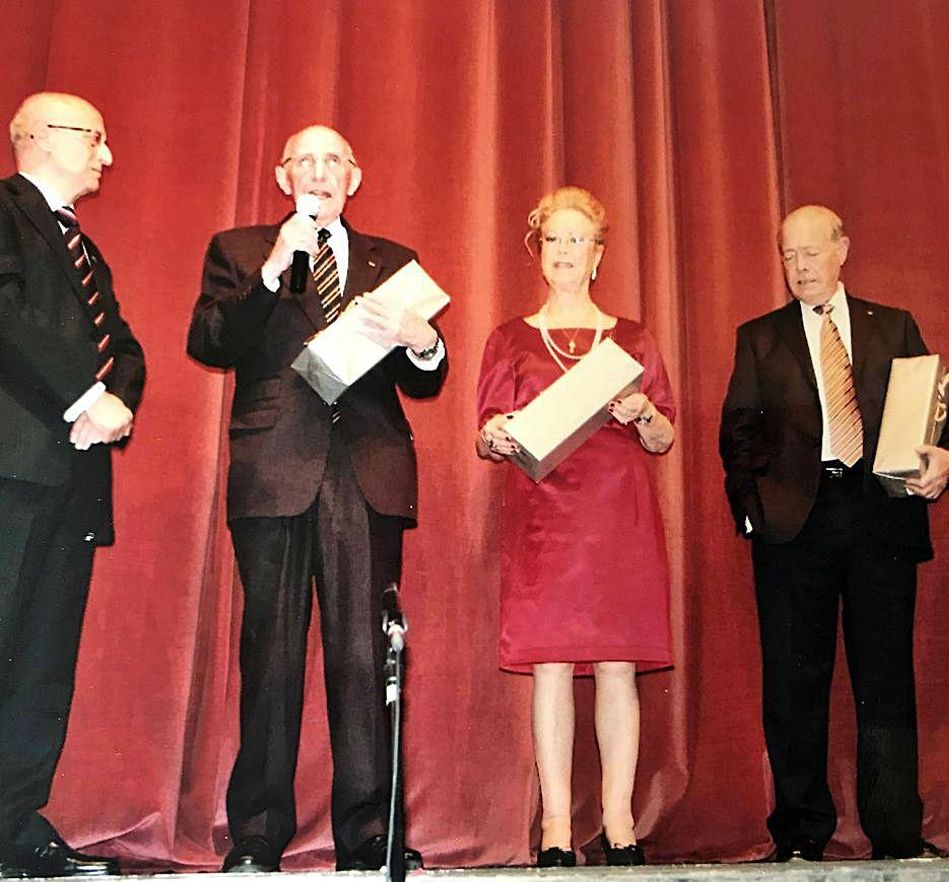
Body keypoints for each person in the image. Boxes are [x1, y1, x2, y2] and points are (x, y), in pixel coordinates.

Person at [187, 125, 445, 872]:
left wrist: (424, 341)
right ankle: (259, 833)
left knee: (365, 656)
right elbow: (209, 343)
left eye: (335, 160)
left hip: (367, 468)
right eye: (306, 159)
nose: (320, 172)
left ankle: (368, 832)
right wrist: (270, 274)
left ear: (355, 178)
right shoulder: (239, 250)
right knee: (269, 653)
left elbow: (424, 378)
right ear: (282, 174)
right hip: (276, 469)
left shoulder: (391, 261)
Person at [719, 205, 949, 861]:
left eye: (811, 252)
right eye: (788, 255)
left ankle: (896, 834)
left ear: (842, 250)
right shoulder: (760, 337)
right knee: (794, 682)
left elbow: (946, 416)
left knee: (884, 677)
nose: (800, 267)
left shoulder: (895, 327)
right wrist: (755, 511)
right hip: (793, 525)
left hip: (879, 516)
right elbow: (737, 435)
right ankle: (801, 833)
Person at [475, 186, 675, 867]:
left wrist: (644, 411)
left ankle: (619, 823)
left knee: (619, 665)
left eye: (576, 240)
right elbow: (484, 436)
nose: (564, 251)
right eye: (553, 240)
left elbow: (664, 438)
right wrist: (495, 434)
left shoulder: (634, 338)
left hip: (618, 515)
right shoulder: (508, 338)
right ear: (540, 252)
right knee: (552, 666)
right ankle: (556, 828)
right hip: (544, 519)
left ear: (598, 255)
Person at [0, 92, 144, 877]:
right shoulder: (2, 213)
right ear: (37, 138)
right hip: (11, 473)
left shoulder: (89, 253)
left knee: (44, 663)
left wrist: (114, 401)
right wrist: (84, 398)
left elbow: (122, 344)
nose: (107, 154)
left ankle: (11, 824)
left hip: (72, 484)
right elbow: (6, 316)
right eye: (95, 136)